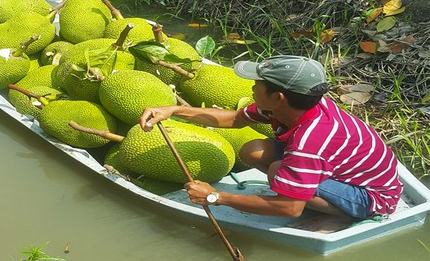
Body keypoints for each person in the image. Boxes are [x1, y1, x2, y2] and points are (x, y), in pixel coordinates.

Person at [139, 55, 402, 221]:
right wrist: (174, 110)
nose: (252, 87)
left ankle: (340, 214)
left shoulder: (311, 142)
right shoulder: (295, 106)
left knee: (278, 171)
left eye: (258, 83)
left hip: (372, 196)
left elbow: (291, 210)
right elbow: (233, 119)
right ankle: (299, 190)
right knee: (252, 150)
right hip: (342, 170)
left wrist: (215, 197)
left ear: (278, 97)